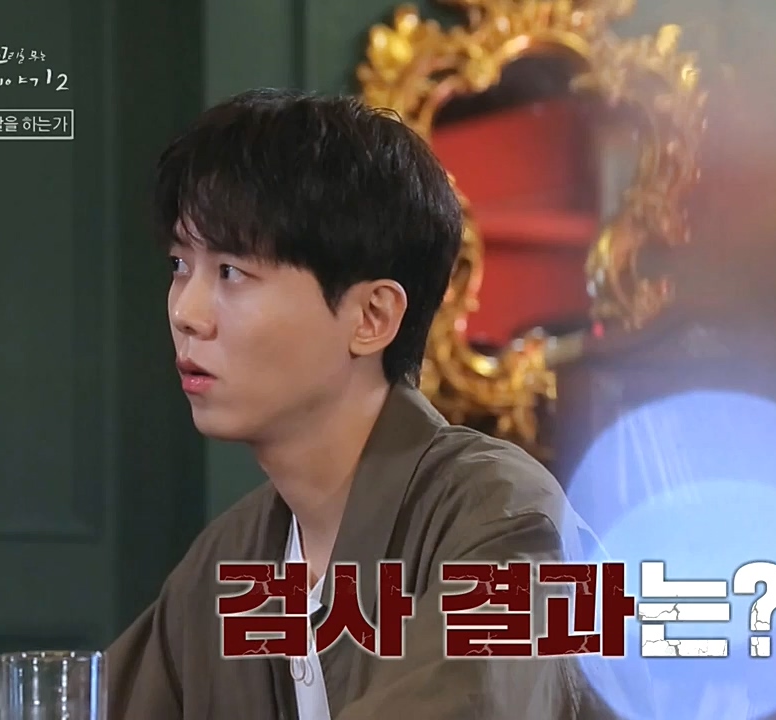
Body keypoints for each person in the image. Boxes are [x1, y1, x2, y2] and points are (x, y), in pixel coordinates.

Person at [105, 89, 619, 719]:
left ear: (372, 316)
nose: (186, 313)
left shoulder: (503, 517)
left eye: (231, 272)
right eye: (180, 265)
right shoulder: (227, 560)